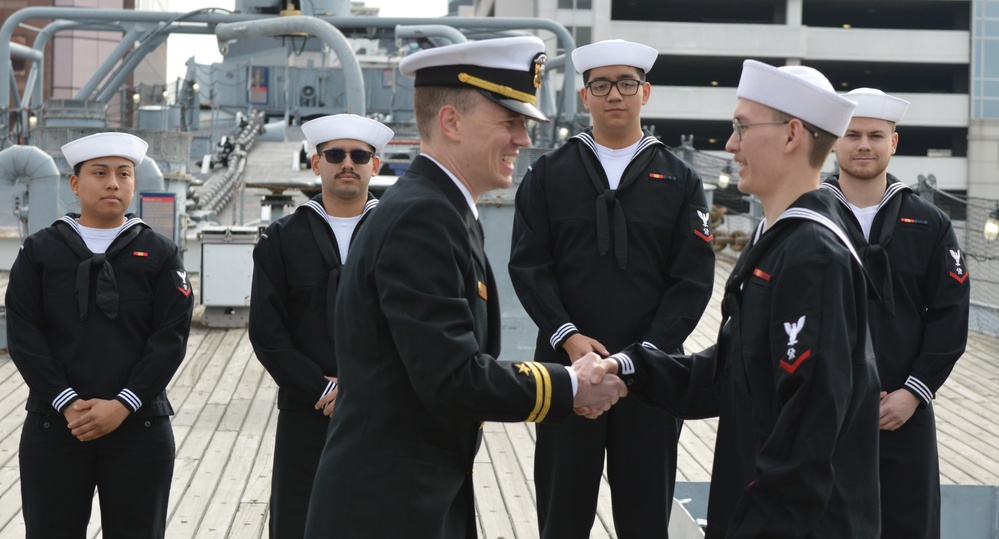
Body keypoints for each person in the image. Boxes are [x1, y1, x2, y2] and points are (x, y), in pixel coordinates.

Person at [303, 35, 627, 539]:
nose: (523, 138)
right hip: (385, 509)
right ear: (451, 122)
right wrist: (569, 384)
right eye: (510, 121)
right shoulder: (424, 219)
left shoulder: (442, 211)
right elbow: (452, 377)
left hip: (411, 498)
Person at [588, 60, 883, 537]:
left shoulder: (813, 255)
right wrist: (629, 368)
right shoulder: (785, 239)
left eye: (742, 128)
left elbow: (807, 433)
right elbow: (733, 374)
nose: (730, 145)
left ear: (791, 135)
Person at [508, 39, 715, 539]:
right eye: (601, 84)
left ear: (646, 92)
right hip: (565, 369)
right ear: (585, 97)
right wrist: (571, 338)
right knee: (562, 515)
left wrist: (639, 359)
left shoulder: (681, 180)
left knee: (645, 520)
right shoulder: (548, 174)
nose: (614, 95)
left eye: (626, 83)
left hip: (650, 371)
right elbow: (529, 266)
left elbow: (692, 280)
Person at [6, 132, 194, 538]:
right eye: (100, 173)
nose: (113, 183)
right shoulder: (40, 251)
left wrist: (124, 404)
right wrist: (66, 402)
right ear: (74, 184)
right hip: (55, 426)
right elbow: (24, 334)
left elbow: (170, 337)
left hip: (139, 424)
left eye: (124, 174)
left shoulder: (161, 254)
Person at [822, 88, 970, 539]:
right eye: (852, 135)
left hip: (904, 410)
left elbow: (950, 314)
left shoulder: (930, 223)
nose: (863, 144)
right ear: (833, 142)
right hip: (825, 409)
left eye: (875, 135)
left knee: (909, 522)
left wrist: (913, 393)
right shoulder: (808, 214)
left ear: (894, 143)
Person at [248, 114, 393, 538]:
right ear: (316, 165)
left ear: (374, 166)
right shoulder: (281, 239)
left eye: (359, 155)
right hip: (307, 406)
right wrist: (323, 387)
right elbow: (267, 333)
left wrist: (366, 387)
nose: (347, 163)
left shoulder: (401, 235)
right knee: (299, 520)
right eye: (335, 154)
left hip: (384, 408)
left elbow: (414, 326)